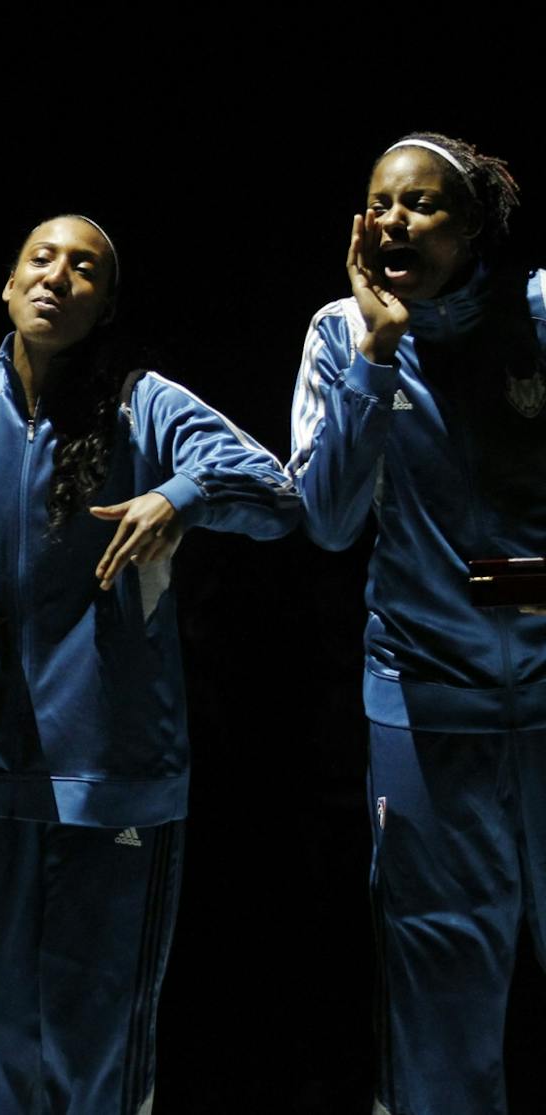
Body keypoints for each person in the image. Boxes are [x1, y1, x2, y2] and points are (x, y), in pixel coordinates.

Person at [0, 215, 299, 1114]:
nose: (58, 277)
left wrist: (180, 496)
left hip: (116, 774)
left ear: (106, 304)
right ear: (7, 282)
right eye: (40, 259)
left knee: (95, 1051)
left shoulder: (147, 404)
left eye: (85, 269)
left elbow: (278, 493)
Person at [286, 133, 543, 1115]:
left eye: (423, 204)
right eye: (378, 203)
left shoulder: (537, 314)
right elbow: (332, 515)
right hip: (426, 714)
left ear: (474, 224)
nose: (392, 219)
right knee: (439, 1012)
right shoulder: (337, 335)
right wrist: (378, 352)